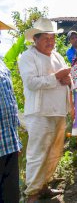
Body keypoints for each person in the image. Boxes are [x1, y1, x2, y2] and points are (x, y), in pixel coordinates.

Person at [18, 18, 70, 202]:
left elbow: (64, 80)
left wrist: (67, 81)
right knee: (37, 153)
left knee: (54, 152)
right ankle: (32, 193)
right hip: (39, 112)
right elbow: (31, 83)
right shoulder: (27, 57)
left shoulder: (57, 56)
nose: (50, 41)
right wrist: (56, 77)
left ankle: (44, 186)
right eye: (46, 38)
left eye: (52, 37)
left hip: (58, 111)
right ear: (35, 39)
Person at [0, 58, 22, 203]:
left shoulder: (1, 63)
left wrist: (16, 139)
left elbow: (10, 101)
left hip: (8, 142)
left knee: (11, 193)